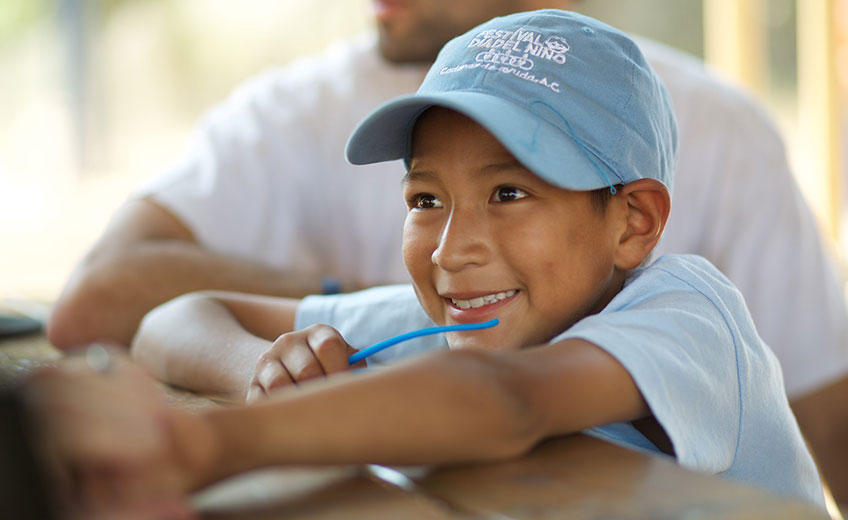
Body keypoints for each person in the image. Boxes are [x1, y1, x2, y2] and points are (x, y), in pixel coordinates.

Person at [46, 0, 848, 499]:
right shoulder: (439, 318)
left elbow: (506, 403)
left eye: (509, 194)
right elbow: (177, 319)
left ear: (634, 222)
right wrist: (260, 368)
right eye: (426, 200)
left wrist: (205, 443)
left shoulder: (688, 319)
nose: (453, 248)